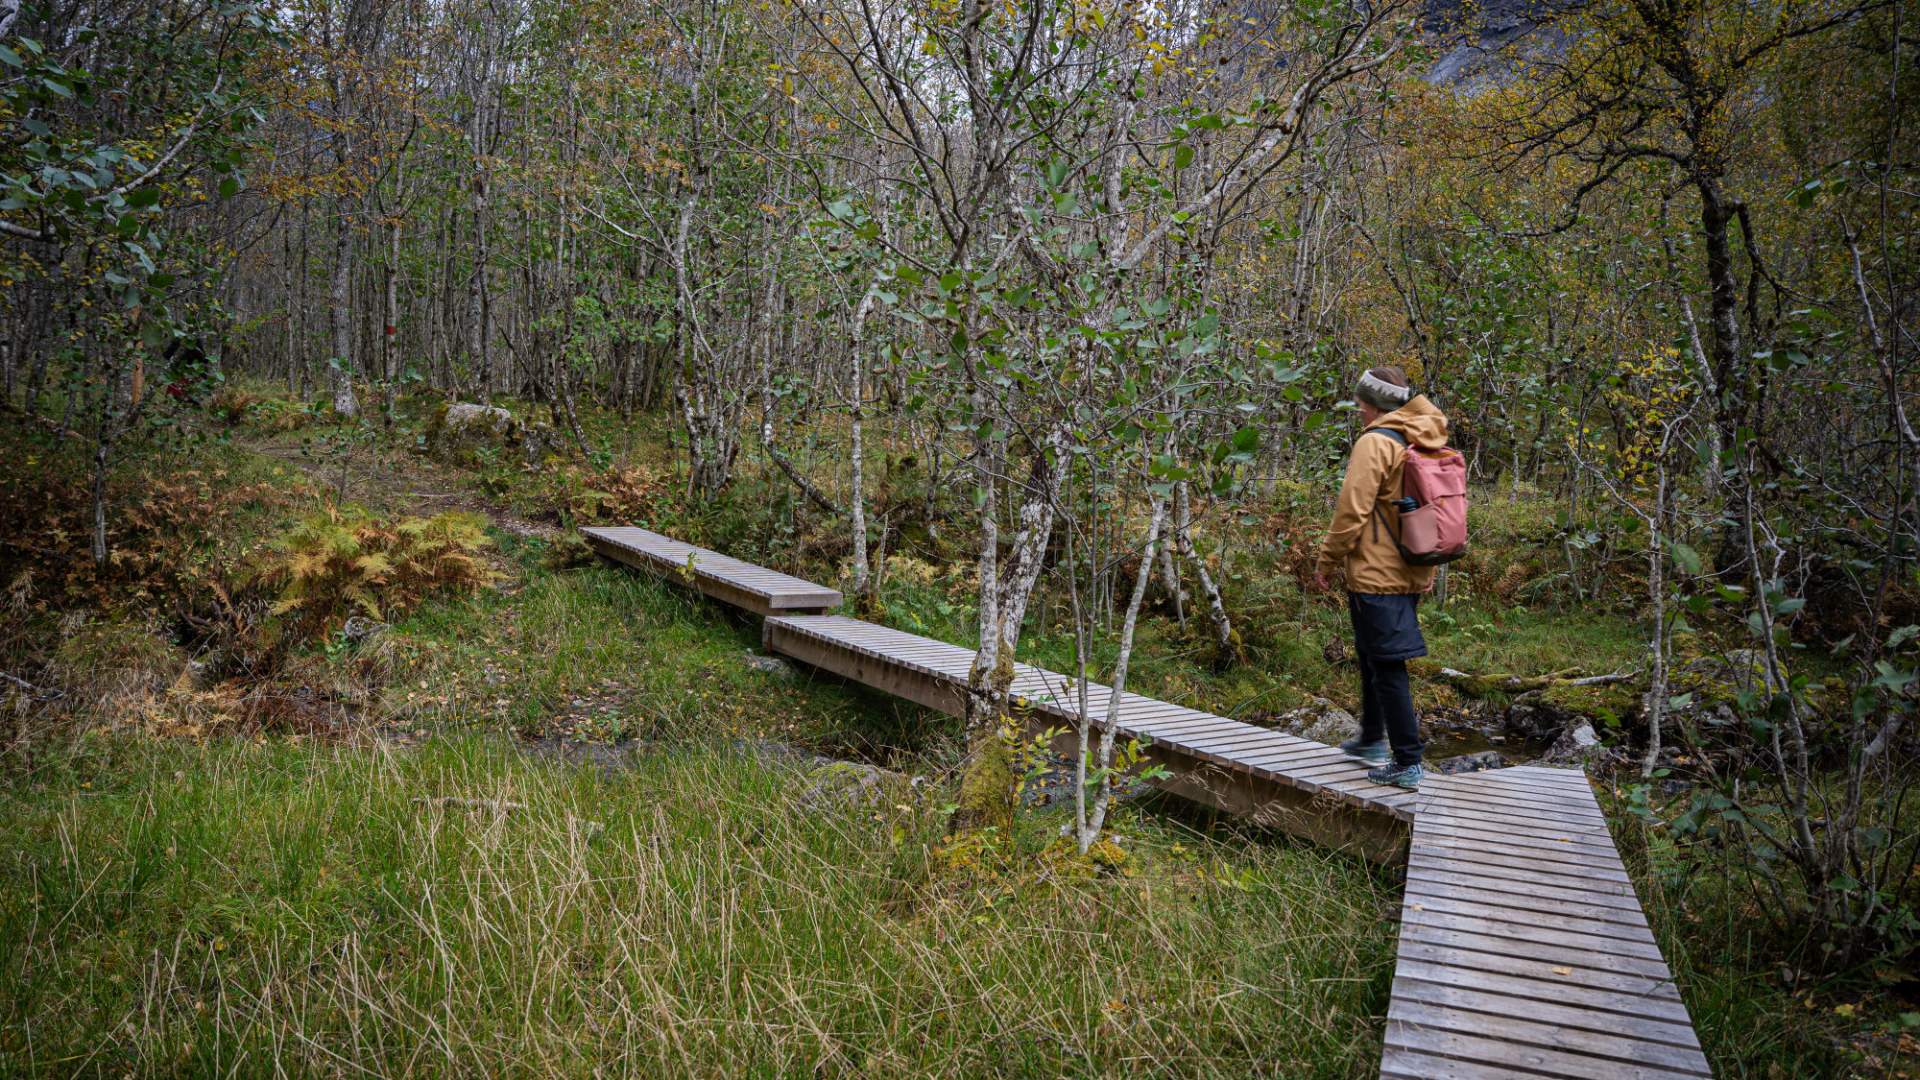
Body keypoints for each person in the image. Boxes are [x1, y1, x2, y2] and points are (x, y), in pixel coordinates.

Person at [1310, 366, 1450, 789]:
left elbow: (1352, 509)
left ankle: (1407, 761)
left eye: (1361, 403)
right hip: (1410, 564)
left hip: (1377, 571)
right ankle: (1372, 738)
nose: (1358, 410)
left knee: (1387, 664)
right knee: (1373, 654)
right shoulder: (1421, 435)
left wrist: (1326, 560)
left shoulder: (1375, 442)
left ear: (1372, 403)